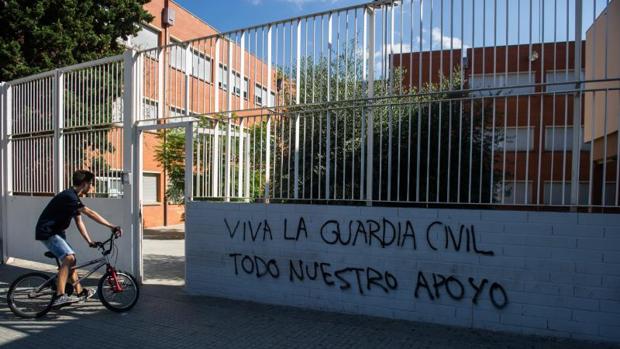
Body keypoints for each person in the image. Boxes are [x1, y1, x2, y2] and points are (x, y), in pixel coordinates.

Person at [35, 170, 122, 308]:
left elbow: (79, 221)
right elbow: (90, 213)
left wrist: (89, 241)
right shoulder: (69, 197)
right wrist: (111, 226)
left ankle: (80, 292)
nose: (91, 187)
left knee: (72, 262)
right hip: (48, 232)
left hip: (56, 232)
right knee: (69, 258)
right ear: (84, 184)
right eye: (91, 184)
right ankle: (59, 296)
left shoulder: (73, 198)